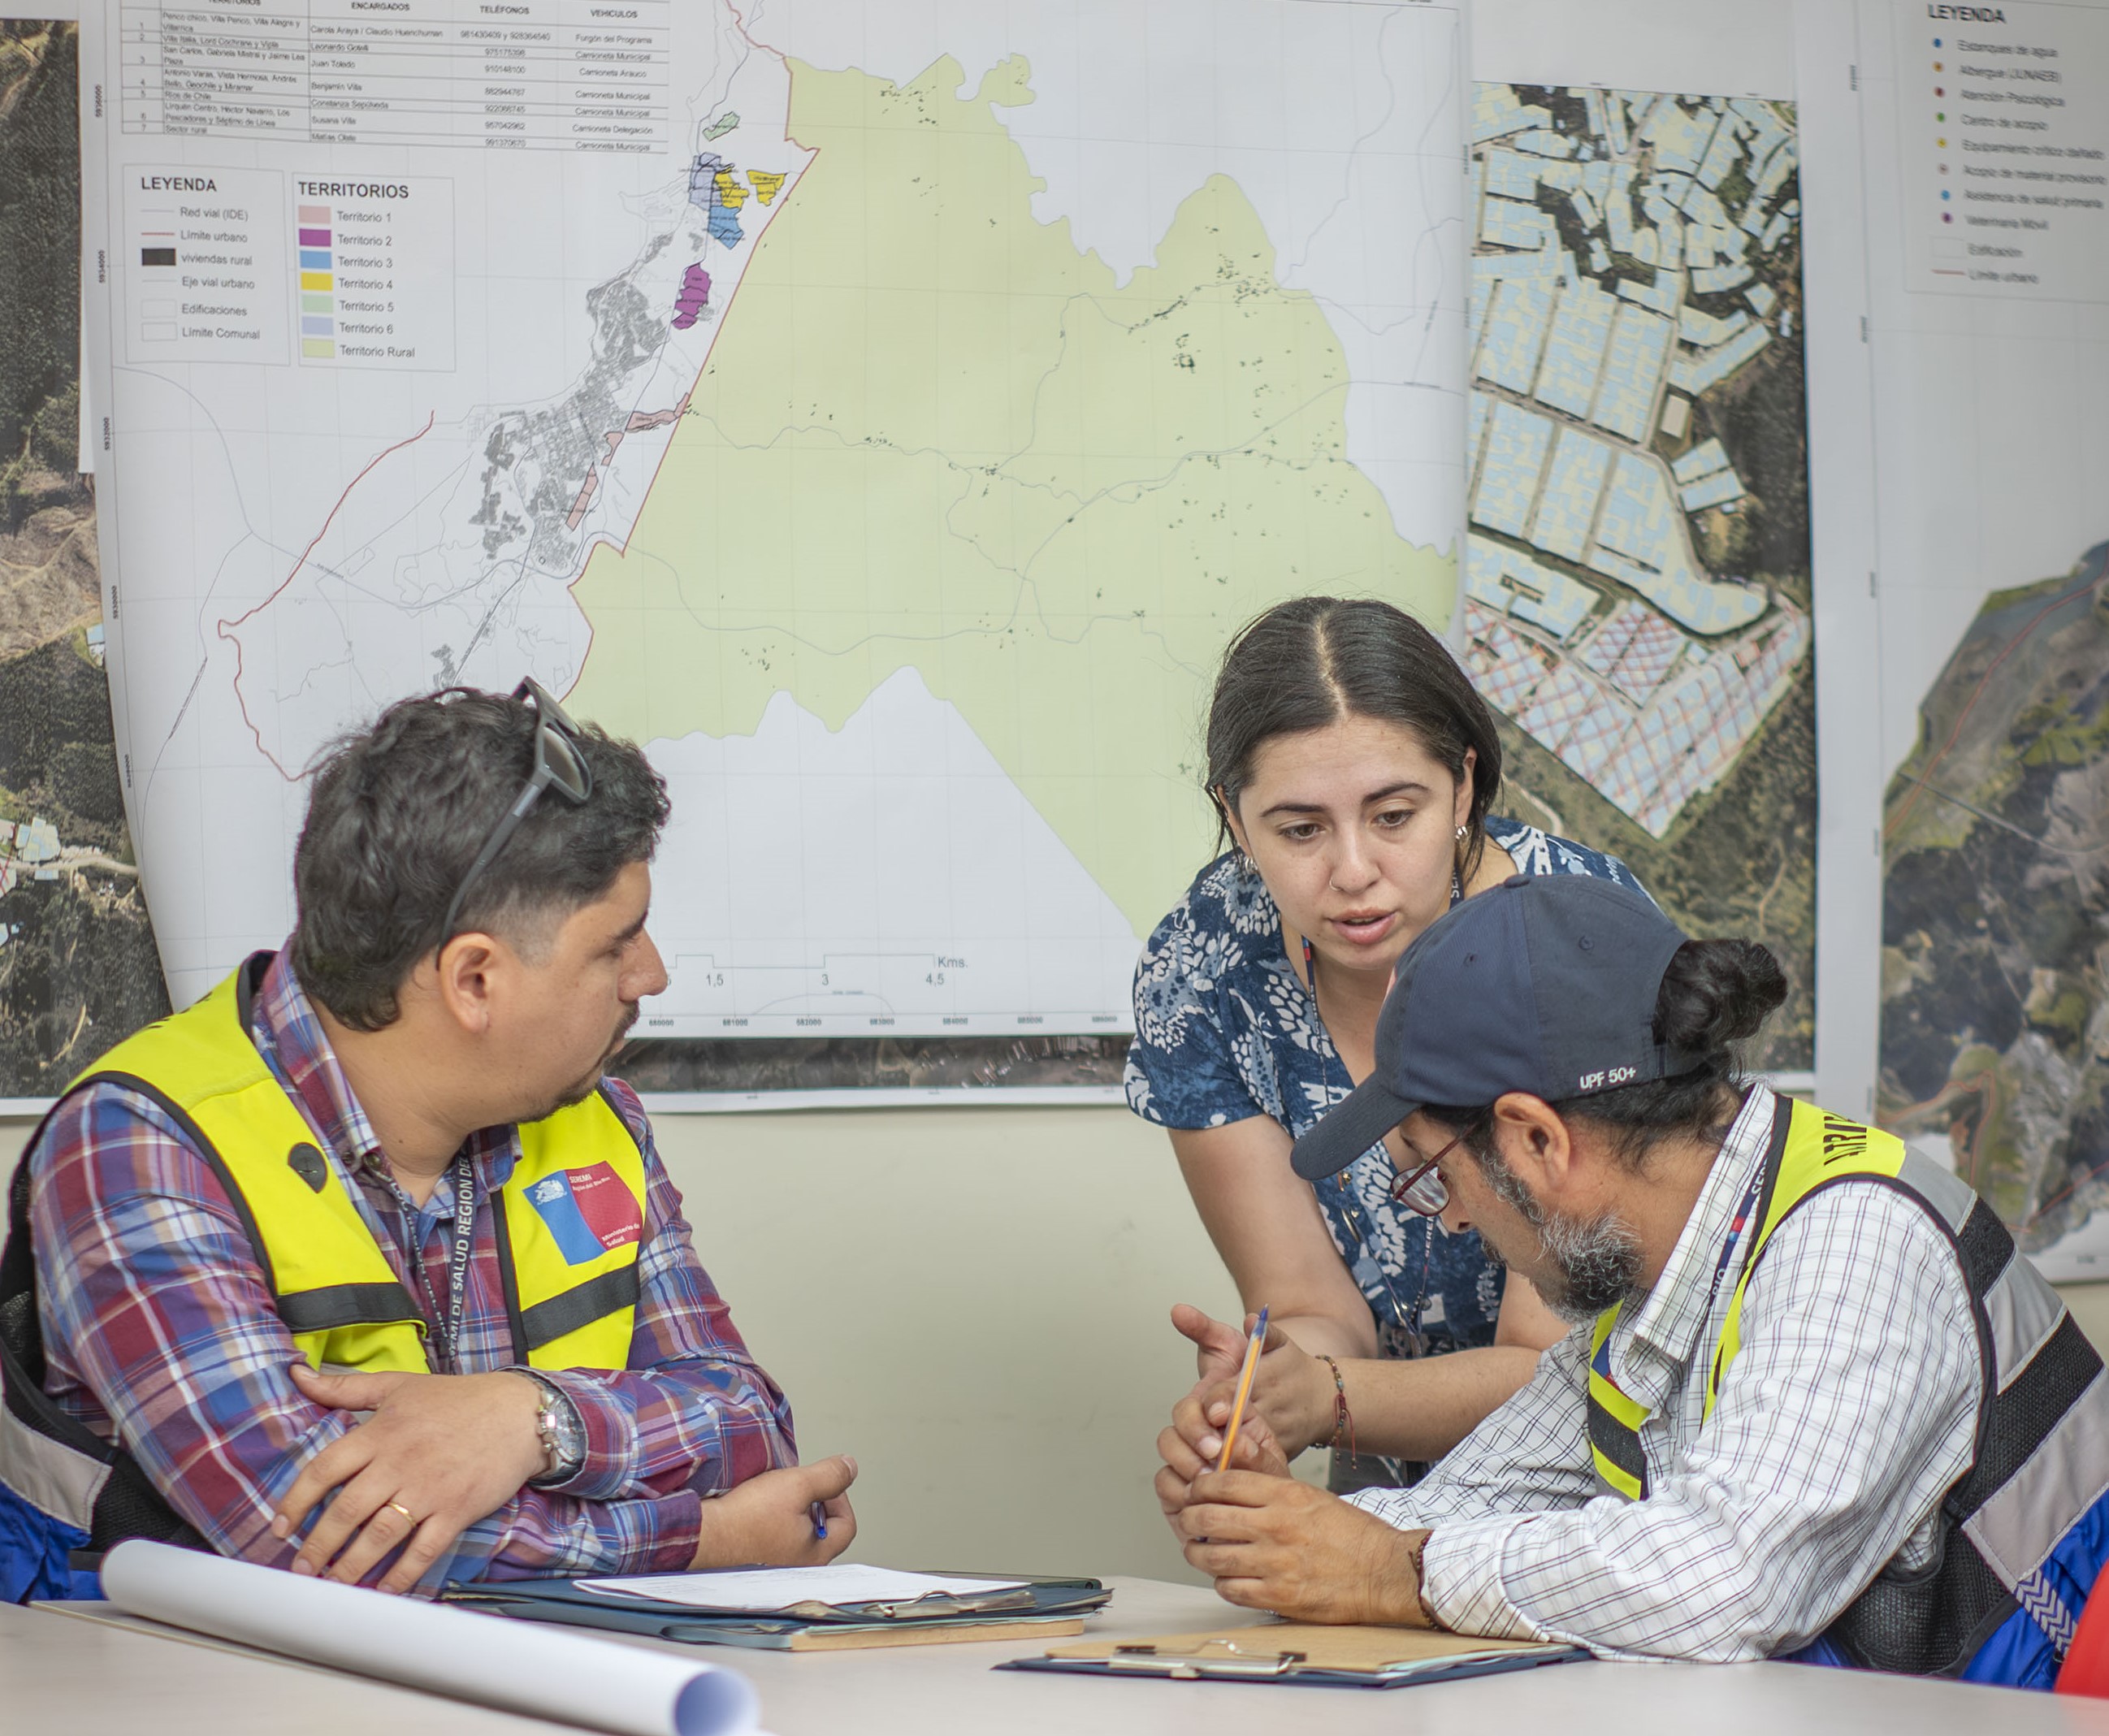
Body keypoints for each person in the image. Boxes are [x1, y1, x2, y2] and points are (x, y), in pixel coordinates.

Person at [0, 682, 856, 1602]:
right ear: (474, 980)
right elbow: (325, 1542)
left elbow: (748, 1421)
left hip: (515, 1678)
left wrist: (536, 1418)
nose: (651, 973)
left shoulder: (593, 1118)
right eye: (617, 943)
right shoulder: (139, 1150)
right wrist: (709, 1537)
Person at [1155, 872, 2109, 1690]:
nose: (1446, 1215)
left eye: (1434, 1174)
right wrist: (1277, 1530)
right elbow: (1475, 1504)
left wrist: (1390, 1572)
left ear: (1535, 1138)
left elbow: (1726, 1579)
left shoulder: (1855, 1241)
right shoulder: (1665, 1275)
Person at [1127, 595, 1650, 1488]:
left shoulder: (1584, 941)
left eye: (1394, 815)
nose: (1354, 871)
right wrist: (1263, 1390)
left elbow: (1548, 1368)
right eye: (1299, 830)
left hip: (1606, 1476)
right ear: (1233, 815)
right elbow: (1307, 1305)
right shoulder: (1205, 967)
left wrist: (1320, 1399)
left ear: (1464, 784)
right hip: (1380, 1473)